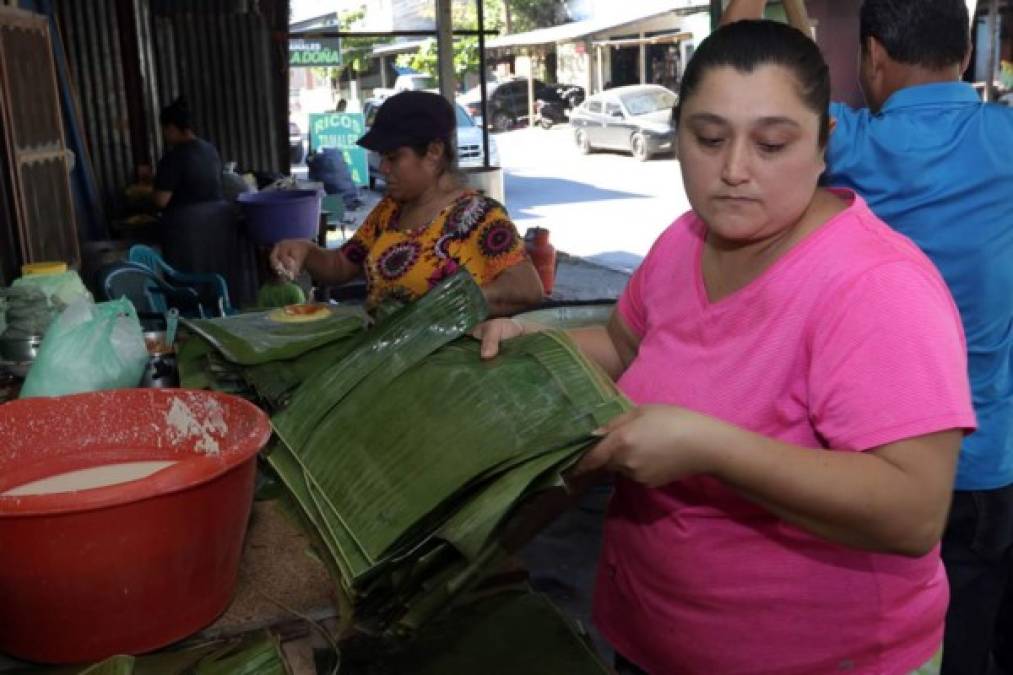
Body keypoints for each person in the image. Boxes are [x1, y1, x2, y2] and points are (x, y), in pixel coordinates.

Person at [475, 20, 975, 674]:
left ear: (824, 145)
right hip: (648, 634)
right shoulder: (683, 240)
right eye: (708, 139)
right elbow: (626, 346)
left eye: (771, 143)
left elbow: (911, 512)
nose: (734, 171)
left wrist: (710, 447)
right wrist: (529, 339)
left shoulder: (874, 284)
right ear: (677, 133)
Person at [721, 2, 1013, 673]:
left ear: (873, 58)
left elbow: (761, 75)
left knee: (869, 640)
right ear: (964, 57)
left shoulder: (849, 144)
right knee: (965, 640)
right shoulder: (1004, 140)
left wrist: (785, 12)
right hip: (985, 462)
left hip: (866, 464)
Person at [271, 91, 543, 317]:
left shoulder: (479, 217)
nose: (384, 168)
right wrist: (306, 250)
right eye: (382, 158)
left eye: (393, 157)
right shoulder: (390, 211)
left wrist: (445, 302)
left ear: (434, 152)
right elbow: (342, 265)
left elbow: (527, 289)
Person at [152, 97, 223, 211]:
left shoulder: (173, 158)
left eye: (164, 130)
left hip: (187, 224)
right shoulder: (210, 149)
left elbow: (161, 201)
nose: (164, 136)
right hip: (218, 220)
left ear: (171, 128)